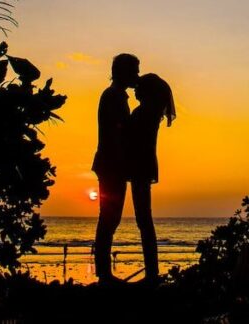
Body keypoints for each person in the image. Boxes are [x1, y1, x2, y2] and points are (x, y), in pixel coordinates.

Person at [92, 53, 140, 284]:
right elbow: (115, 134)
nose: (137, 76)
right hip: (111, 164)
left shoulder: (117, 96)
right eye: (135, 71)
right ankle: (103, 274)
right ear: (124, 72)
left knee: (110, 218)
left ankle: (103, 272)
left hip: (113, 164)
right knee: (109, 218)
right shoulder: (113, 96)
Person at [128, 73, 176, 285]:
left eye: (139, 87)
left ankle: (151, 274)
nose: (135, 90)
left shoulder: (144, 112)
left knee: (144, 219)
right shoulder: (152, 112)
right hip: (144, 164)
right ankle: (152, 272)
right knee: (144, 219)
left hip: (140, 165)